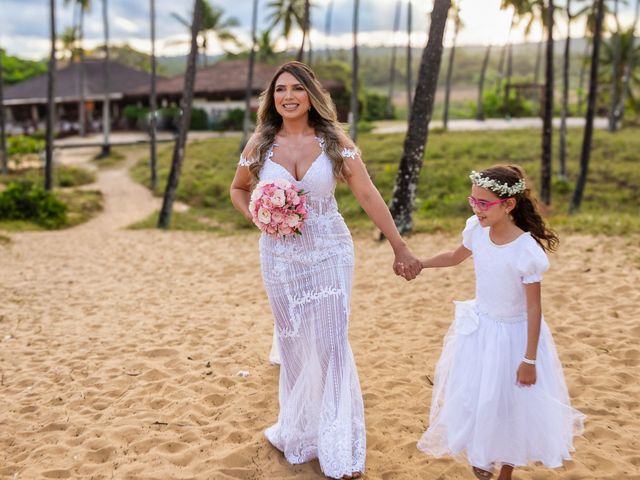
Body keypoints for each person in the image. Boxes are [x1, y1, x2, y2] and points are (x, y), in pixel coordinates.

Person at [230, 61, 421, 479]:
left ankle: (338, 446)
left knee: (332, 344)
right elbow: (238, 188)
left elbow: (368, 195)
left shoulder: (334, 141)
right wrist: (259, 217)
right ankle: (303, 431)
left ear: (311, 95)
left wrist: (399, 245)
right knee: (295, 345)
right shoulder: (260, 143)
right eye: (280, 90)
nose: (288, 96)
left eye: (297, 88)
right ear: (272, 98)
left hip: (330, 251)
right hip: (279, 257)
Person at [416, 165, 585, 480]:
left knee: (511, 405)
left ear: (509, 205)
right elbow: (454, 257)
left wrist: (529, 358)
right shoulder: (476, 231)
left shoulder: (525, 250)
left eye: (484, 203)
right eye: (474, 201)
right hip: (481, 332)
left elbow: (534, 309)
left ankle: (505, 469)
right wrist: (420, 263)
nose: (477, 209)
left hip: (515, 339)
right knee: (480, 399)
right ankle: (483, 461)